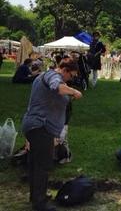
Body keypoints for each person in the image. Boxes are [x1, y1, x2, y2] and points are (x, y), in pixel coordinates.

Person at [22, 61, 82, 211]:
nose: (69, 80)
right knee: (43, 165)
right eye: (70, 76)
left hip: (36, 126)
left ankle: (35, 196)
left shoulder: (45, 77)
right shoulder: (53, 75)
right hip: (41, 126)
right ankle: (40, 203)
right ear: (65, 70)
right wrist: (74, 91)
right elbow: (58, 87)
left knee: (35, 163)